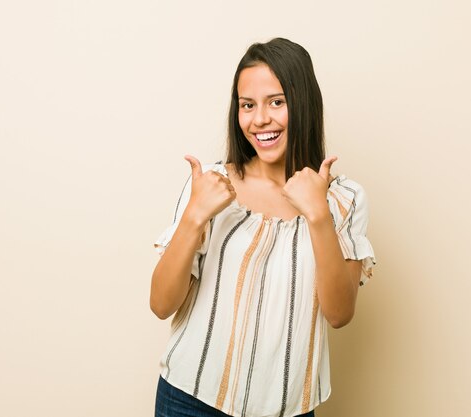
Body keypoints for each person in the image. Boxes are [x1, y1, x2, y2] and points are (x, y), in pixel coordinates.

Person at [150, 37, 375, 417]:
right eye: (247, 105)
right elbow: (160, 304)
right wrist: (194, 216)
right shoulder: (211, 186)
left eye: (276, 102)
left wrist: (318, 216)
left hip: (287, 409)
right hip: (189, 401)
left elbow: (339, 314)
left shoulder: (344, 200)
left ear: (302, 103)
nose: (259, 120)